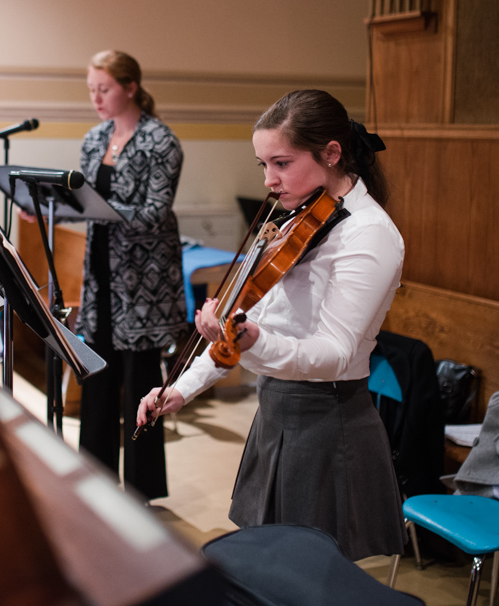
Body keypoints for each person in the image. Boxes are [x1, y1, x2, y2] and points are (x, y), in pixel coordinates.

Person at [136, 89, 406, 560]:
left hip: (327, 423)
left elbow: (335, 353)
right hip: (277, 414)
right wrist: (182, 387)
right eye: (263, 165)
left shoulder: (369, 234)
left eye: (280, 163)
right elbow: (248, 318)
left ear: (332, 153)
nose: (269, 180)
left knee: (309, 577)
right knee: (273, 569)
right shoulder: (299, 217)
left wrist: (252, 341)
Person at [77, 50, 186, 501]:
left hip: (143, 285)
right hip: (101, 278)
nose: (96, 98)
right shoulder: (94, 138)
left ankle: (140, 492)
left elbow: (155, 214)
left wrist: (97, 208)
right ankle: (94, 484)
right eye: (91, 90)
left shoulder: (161, 142)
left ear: (130, 88)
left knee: (141, 388)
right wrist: (48, 206)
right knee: (97, 381)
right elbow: (81, 199)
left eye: (104, 89)